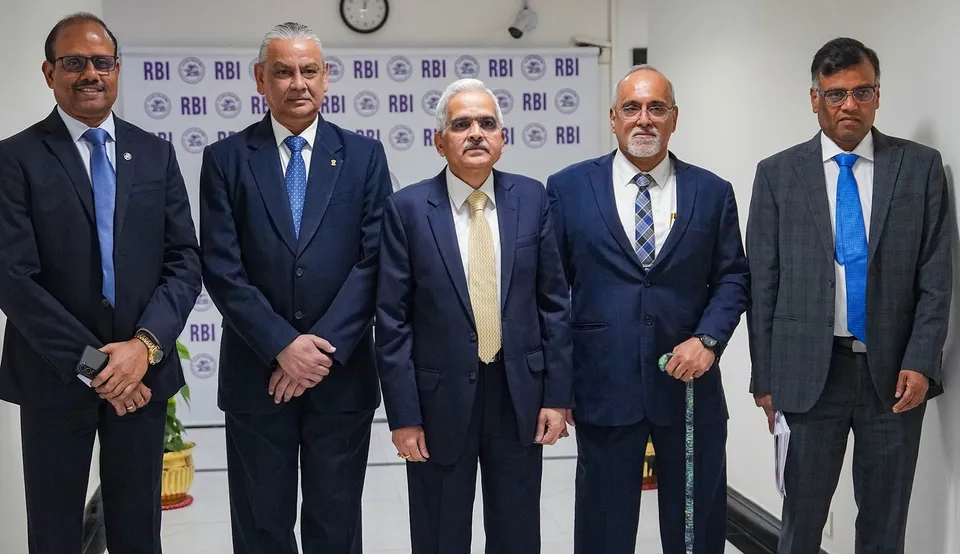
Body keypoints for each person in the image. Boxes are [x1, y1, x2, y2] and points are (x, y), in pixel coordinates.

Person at [0, 12, 201, 553]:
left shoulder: (155, 153)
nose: (90, 73)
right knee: (56, 532)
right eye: (73, 62)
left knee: (138, 533)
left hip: (143, 376)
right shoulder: (14, 159)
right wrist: (101, 368)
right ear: (49, 72)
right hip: (55, 378)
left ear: (117, 70)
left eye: (101, 61)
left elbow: (184, 259)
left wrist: (143, 349)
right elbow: (14, 281)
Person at [746, 37, 952, 554]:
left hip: (895, 378)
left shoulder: (920, 167)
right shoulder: (777, 175)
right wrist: (765, 378)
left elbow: (935, 277)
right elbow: (762, 284)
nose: (849, 105)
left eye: (862, 92)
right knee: (801, 524)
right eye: (835, 94)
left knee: (884, 528)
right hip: (808, 377)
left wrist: (922, 362)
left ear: (878, 96)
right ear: (814, 98)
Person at [199, 21, 392, 554]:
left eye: (309, 70)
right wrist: (284, 346)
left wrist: (318, 352)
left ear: (327, 78)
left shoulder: (365, 157)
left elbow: (374, 263)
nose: (297, 82)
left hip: (341, 377)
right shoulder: (225, 160)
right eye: (283, 72)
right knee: (262, 527)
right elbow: (222, 267)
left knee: (336, 526)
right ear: (260, 79)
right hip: (257, 377)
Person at [546, 65, 749, 554]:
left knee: (695, 528)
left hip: (689, 389)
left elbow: (732, 278)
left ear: (674, 118)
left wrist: (708, 340)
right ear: (613, 118)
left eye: (656, 108)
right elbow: (550, 292)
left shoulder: (712, 191)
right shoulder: (568, 188)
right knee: (603, 527)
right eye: (632, 109)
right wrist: (557, 384)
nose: (644, 120)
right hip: (603, 387)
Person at [375, 78, 572, 554]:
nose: (476, 133)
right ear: (439, 140)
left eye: (488, 123)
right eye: (461, 124)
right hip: (437, 399)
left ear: (502, 138)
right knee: (440, 532)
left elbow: (554, 305)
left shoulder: (533, 198)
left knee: (517, 531)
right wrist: (403, 416)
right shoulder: (406, 209)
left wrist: (558, 397)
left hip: (518, 395)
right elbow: (393, 322)